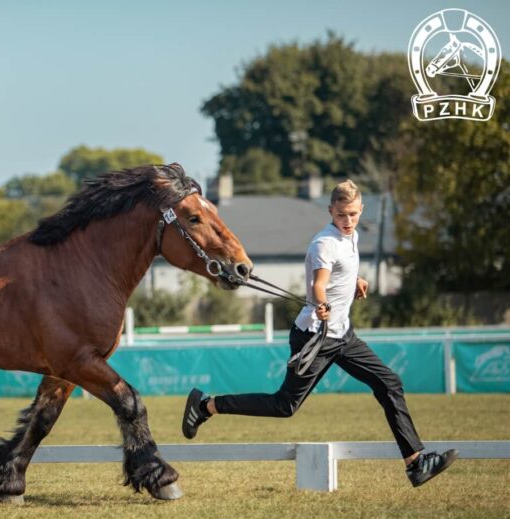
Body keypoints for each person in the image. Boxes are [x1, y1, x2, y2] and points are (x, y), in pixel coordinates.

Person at [181, 180, 456, 487]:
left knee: (389, 383)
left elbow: (340, 270)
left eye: (352, 214)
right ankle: (206, 405)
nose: (348, 221)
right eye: (341, 215)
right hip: (315, 337)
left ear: (361, 210)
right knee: (284, 406)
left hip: (343, 336)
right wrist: (322, 301)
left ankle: (415, 464)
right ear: (330, 211)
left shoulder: (349, 237)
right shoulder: (325, 243)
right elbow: (318, 283)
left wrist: (355, 281)